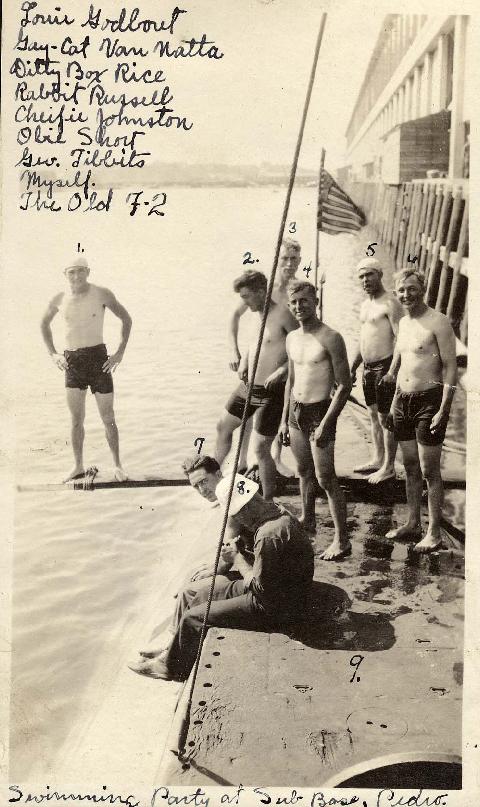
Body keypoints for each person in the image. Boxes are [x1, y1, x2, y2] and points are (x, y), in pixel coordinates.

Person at [131, 473, 314, 681]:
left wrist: (236, 558)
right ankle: (172, 650)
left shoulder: (267, 535)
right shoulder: (280, 514)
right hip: (280, 588)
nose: (237, 520)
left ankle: (172, 669)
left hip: (276, 606)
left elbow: (260, 590)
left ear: (244, 509)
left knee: (195, 617)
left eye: (236, 515)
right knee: (196, 594)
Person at [133, 454, 252, 664]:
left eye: (204, 482)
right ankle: (171, 643)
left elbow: (227, 550)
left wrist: (214, 570)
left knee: (194, 587)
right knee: (194, 575)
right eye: (195, 486)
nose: (202, 490)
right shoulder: (229, 494)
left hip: (253, 574)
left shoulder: (232, 505)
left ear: (218, 474)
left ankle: (173, 652)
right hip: (248, 564)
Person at [381, 268, 457, 552]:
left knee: (429, 470)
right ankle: (413, 522)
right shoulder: (403, 323)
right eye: (401, 290)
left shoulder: (438, 322)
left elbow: (450, 367)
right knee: (410, 466)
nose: (406, 295)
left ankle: (434, 532)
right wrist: (392, 405)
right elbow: (402, 365)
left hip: (429, 402)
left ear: (422, 289)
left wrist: (444, 409)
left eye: (411, 289)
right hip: (403, 401)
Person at [40, 255, 132, 482]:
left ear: (88, 272)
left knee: (108, 417)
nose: (76, 276)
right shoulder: (59, 298)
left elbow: (126, 319)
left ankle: (118, 466)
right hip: (72, 362)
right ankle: (78, 466)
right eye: (71, 272)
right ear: (65, 274)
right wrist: (53, 354)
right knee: (75, 419)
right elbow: (43, 324)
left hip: (98, 359)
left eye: (81, 271)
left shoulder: (101, 293)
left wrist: (120, 352)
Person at [279, 281, 352, 560]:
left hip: (320, 412)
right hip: (297, 411)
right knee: (303, 472)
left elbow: (344, 386)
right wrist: (285, 420)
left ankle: (342, 540)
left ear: (316, 301)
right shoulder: (292, 338)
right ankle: (307, 520)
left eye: (304, 301)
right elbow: (292, 380)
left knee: (325, 478)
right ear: (289, 305)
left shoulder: (331, 337)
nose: (299, 306)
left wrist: (325, 424)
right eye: (294, 302)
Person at [216, 270, 297, 499]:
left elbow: (300, 348)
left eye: (246, 296)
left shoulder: (283, 315)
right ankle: (216, 480)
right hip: (249, 386)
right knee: (223, 426)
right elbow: (256, 344)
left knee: (261, 450)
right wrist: (243, 360)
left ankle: (269, 500)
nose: (244, 302)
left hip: (271, 392)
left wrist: (282, 370)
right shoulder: (255, 313)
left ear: (262, 292)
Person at [227, 239, 301, 479]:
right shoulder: (266, 288)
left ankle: (275, 459)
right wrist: (235, 351)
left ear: (300, 260)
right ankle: (240, 460)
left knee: (278, 409)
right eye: (284, 259)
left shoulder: (300, 287)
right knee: (248, 410)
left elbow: (301, 329)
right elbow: (234, 317)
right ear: (277, 260)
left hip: (284, 358)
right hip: (259, 353)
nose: (289, 264)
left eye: (294, 259)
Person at [350, 257, 403, 483]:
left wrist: (392, 371)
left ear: (379, 275)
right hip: (368, 368)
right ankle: (377, 458)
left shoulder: (390, 303)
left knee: (385, 417)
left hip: (384, 366)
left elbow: (402, 339)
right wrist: (352, 368)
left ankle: (389, 466)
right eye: (361, 276)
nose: (365, 280)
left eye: (369, 274)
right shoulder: (365, 305)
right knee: (372, 414)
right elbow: (363, 341)